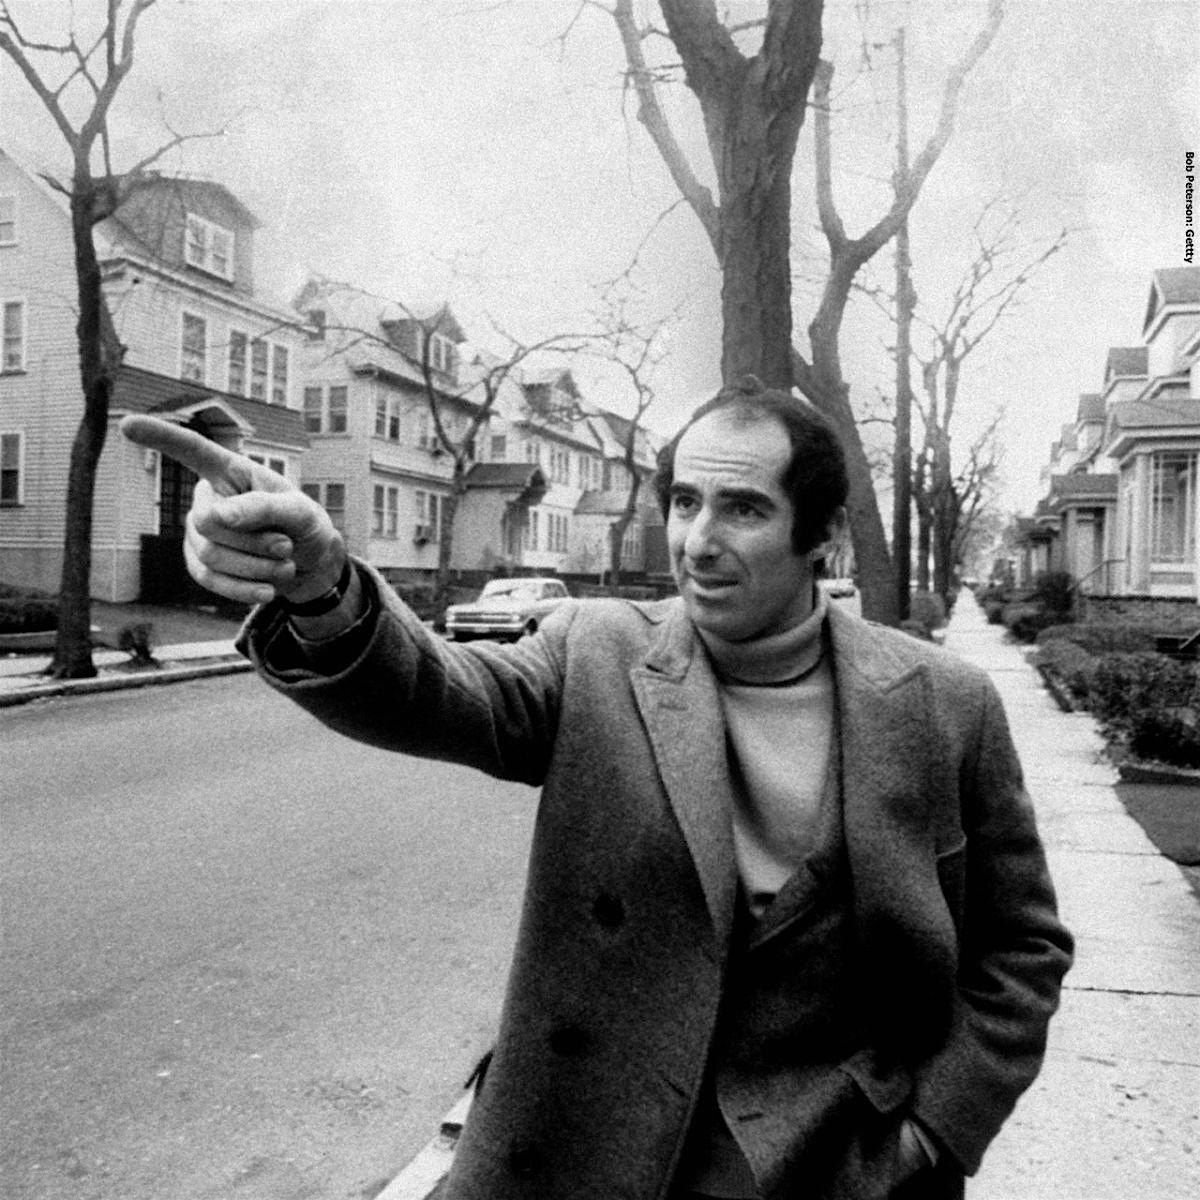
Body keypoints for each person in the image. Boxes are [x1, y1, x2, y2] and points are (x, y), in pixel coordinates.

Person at [122, 378, 1072, 1200]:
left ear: (820, 534)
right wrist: (324, 586)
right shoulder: (597, 651)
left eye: (743, 510)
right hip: (583, 1152)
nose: (698, 541)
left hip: (835, 1169)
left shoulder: (944, 705)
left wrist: (934, 1130)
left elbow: (1022, 947)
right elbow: (433, 692)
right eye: (685, 501)